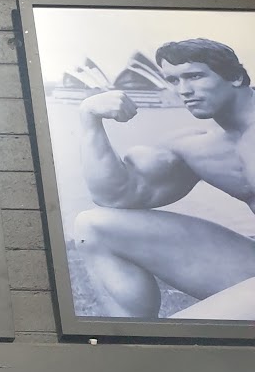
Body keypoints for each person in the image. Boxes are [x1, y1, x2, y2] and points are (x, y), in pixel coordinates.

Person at [73, 37, 255, 320]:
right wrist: (90, 120)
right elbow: (116, 194)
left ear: (235, 77)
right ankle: (129, 337)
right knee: (94, 226)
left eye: (195, 76)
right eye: (173, 80)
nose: (184, 90)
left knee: (178, 337)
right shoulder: (198, 147)